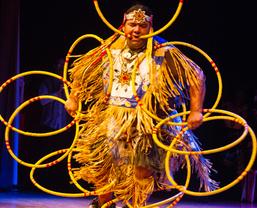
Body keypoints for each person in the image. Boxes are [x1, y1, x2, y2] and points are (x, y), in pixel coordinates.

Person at [65, 4, 218, 207]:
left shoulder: (163, 51)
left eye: (142, 25)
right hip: (111, 117)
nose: (136, 30)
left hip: (146, 121)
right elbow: (82, 71)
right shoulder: (110, 46)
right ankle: (103, 204)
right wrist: (73, 98)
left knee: (142, 171)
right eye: (132, 24)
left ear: (151, 27)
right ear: (123, 24)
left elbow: (196, 76)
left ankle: (135, 205)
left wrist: (196, 111)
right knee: (102, 168)